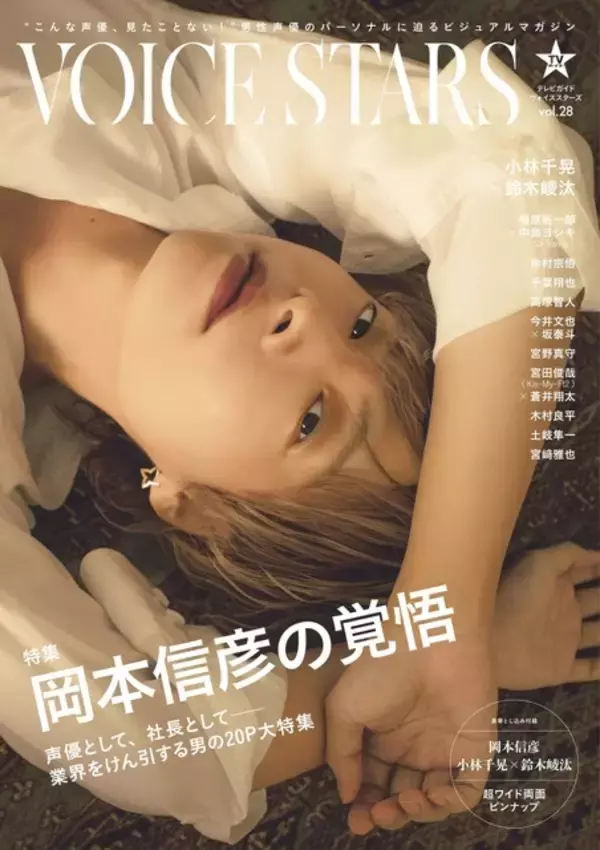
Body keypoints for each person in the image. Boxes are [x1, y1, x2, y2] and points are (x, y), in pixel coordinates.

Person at [0, 0, 599, 841]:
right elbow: (505, 168)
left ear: (192, 505)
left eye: (313, 420)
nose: (308, 320)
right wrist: (446, 601)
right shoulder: (188, 104)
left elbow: (130, 741)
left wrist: (440, 646)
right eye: (364, 325)